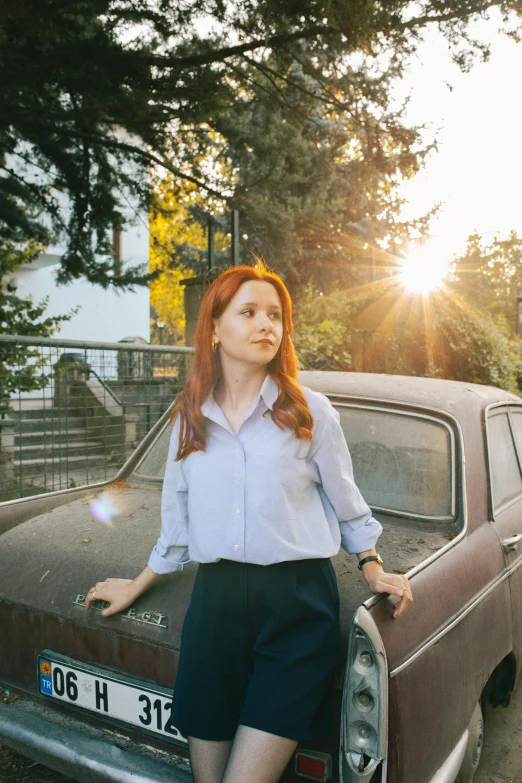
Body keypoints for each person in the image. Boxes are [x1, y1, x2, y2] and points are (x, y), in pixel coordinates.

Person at [85, 262, 413, 783]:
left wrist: (373, 568)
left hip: (296, 608)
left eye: (276, 315)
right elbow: (177, 525)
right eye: (249, 312)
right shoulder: (188, 417)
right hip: (215, 608)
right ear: (213, 329)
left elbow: (348, 505)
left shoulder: (311, 412)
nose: (267, 324)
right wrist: (137, 583)